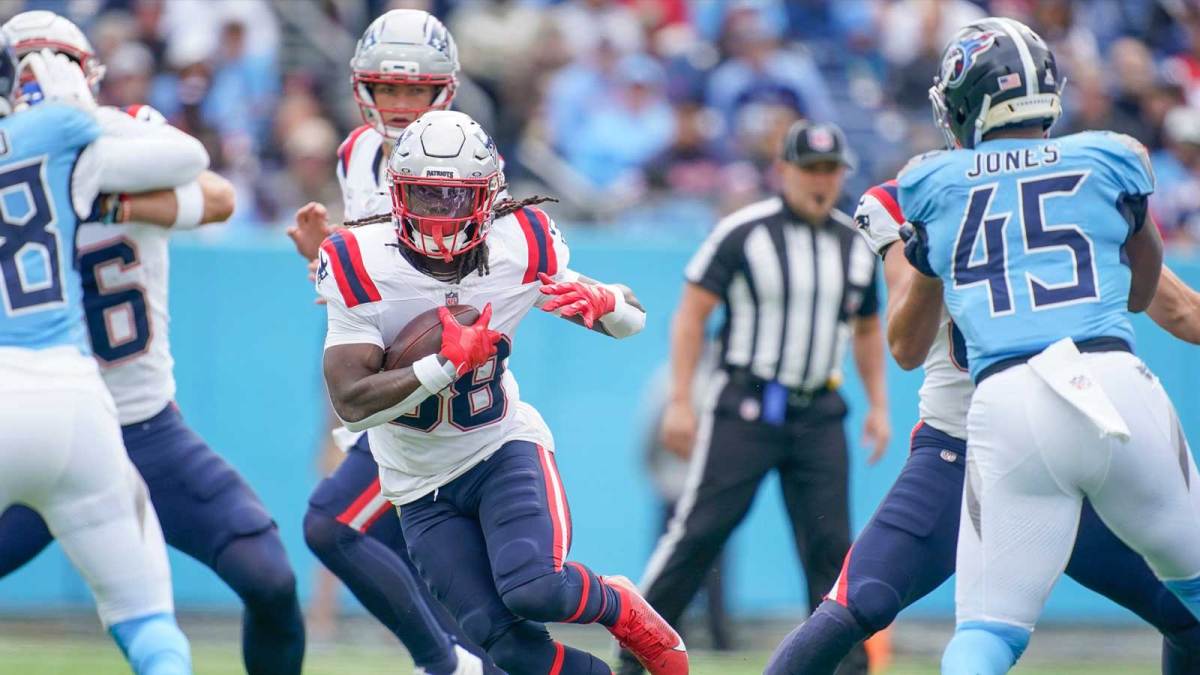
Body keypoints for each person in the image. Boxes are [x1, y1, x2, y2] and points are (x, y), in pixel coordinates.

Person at [764, 169, 1200, 673]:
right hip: (961, 449)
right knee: (862, 599)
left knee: (1183, 612)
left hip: (1060, 446)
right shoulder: (926, 195)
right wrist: (931, 249)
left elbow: (1181, 310)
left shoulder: (1080, 185)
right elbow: (906, 343)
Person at [316, 109, 685, 675]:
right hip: (418, 483)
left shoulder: (521, 243)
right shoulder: (359, 259)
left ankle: (619, 606)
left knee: (537, 588)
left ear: (489, 195)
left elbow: (632, 315)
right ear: (397, 194)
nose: (440, 215)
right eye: (426, 196)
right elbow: (352, 401)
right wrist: (444, 364)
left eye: (456, 197)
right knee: (508, 649)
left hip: (499, 449)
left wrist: (608, 305)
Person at [0, 12, 306, 674]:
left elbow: (219, 195)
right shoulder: (17, 156)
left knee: (272, 580)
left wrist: (106, 204)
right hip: (56, 403)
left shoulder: (121, 133)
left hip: (143, 425)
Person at [896, 17, 1200, 674]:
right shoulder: (1114, 156)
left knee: (987, 632)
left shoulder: (932, 181)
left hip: (1005, 399)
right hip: (1112, 381)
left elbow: (905, 340)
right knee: (1193, 589)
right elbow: (1145, 292)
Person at [620, 120, 889, 675]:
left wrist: (879, 405)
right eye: (810, 169)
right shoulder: (743, 232)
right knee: (699, 532)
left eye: (829, 170)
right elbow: (692, 312)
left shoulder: (855, 246)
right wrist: (680, 400)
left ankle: (848, 668)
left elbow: (866, 327)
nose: (820, 181)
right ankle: (634, 651)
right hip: (745, 403)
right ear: (784, 171)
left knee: (832, 549)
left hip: (819, 411)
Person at [287, 10, 501, 675]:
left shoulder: (465, 158)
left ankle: (448, 663)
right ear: (363, 90)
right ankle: (461, 661)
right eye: (388, 89)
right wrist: (322, 263)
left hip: (437, 388)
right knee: (428, 565)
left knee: (335, 523)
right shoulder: (356, 155)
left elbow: (472, 276)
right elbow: (368, 278)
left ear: (445, 91)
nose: (401, 106)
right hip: (383, 375)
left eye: (415, 90)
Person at [0, 43, 200, 675]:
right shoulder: (50, 131)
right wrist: (70, 98)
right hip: (74, 395)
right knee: (147, 621)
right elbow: (185, 156)